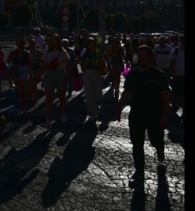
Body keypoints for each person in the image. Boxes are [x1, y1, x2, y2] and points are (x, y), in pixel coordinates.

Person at [116, 45, 171, 188]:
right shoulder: (133, 74)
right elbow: (127, 93)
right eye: (138, 56)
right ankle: (139, 172)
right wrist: (119, 107)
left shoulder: (159, 75)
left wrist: (165, 116)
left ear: (151, 58)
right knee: (137, 144)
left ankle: (160, 149)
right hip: (137, 115)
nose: (140, 59)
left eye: (143, 56)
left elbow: (165, 97)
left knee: (155, 140)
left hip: (154, 115)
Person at [36, 33, 70, 127]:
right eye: (52, 40)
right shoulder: (46, 51)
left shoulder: (63, 52)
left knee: (61, 97)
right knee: (49, 99)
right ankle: (48, 120)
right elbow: (43, 65)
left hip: (60, 74)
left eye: (55, 40)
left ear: (58, 41)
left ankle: (63, 115)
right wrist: (39, 76)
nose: (53, 42)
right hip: (49, 75)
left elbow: (67, 66)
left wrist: (66, 78)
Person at [79, 37, 105, 123]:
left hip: (97, 73)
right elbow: (82, 67)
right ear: (88, 46)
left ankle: (96, 106)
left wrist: (98, 58)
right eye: (90, 46)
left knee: (98, 94)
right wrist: (87, 61)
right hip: (88, 73)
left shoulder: (98, 53)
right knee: (89, 94)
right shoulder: (85, 54)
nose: (92, 47)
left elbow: (103, 63)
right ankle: (92, 113)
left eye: (93, 46)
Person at [6, 37, 33, 111]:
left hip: (24, 70)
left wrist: (31, 74)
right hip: (15, 70)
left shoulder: (27, 53)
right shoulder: (13, 52)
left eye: (21, 43)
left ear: (24, 44)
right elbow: (7, 62)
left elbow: (30, 64)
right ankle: (22, 100)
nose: (19, 45)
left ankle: (22, 101)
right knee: (19, 88)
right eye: (18, 43)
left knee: (21, 86)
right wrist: (10, 68)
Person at [169, 34, 185, 120]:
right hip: (177, 76)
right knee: (176, 93)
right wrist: (173, 74)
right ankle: (175, 105)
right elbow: (171, 65)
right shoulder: (174, 52)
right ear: (180, 41)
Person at [27, 35, 43, 99]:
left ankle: (39, 92)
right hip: (29, 69)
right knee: (29, 82)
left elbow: (41, 61)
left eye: (33, 43)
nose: (32, 44)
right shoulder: (27, 52)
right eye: (30, 43)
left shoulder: (38, 51)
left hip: (37, 68)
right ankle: (30, 93)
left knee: (38, 82)